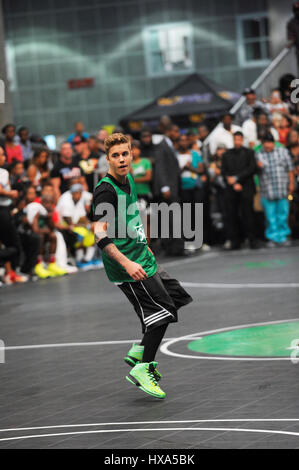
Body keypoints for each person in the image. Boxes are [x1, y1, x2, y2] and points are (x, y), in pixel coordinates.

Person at [92, 133, 193, 399]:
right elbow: (99, 233)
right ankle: (143, 367)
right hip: (127, 265)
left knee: (177, 296)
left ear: (131, 155)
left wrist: (143, 241)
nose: (121, 159)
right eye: (115, 155)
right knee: (162, 310)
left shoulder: (129, 181)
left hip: (141, 254)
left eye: (125, 153)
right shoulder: (106, 190)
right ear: (108, 159)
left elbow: (130, 218)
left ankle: (141, 348)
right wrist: (126, 263)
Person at [256, 134, 295, 247]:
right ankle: (272, 237)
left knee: (283, 214)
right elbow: (255, 171)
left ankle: (283, 236)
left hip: (282, 188)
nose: (267, 145)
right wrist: (257, 166)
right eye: (265, 143)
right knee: (270, 216)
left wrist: (291, 184)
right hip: (267, 191)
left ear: (273, 143)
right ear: (262, 144)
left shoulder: (282, 152)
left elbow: (290, 169)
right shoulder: (259, 154)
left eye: (269, 142)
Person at [221, 132, 258, 250]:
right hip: (231, 189)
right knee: (232, 216)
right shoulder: (227, 154)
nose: (237, 142)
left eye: (239, 140)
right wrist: (233, 182)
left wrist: (238, 180)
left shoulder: (249, 153)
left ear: (242, 140)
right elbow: (224, 171)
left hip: (246, 188)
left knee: (248, 215)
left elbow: (251, 169)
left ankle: (252, 240)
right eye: (235, 139)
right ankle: (235, 241)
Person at [287, 2, 299, 71]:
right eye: (296, 10)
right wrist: (290, 42)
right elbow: (291, 37)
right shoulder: (291, 23)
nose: (298, 12)